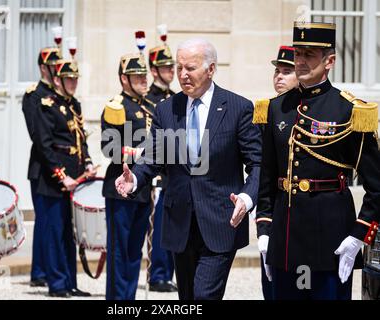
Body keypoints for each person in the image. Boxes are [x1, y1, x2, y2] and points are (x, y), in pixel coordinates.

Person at [115, 38, 262, 300]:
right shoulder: (166, 109)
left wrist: (248, 197)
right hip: (179, 222)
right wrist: (135, 180)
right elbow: (153, 156)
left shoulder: (238, 108)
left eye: (190, 68)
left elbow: (257, 163)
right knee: (187, 298)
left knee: (204, 296)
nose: (183, 75)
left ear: (211, 69)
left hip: (221, 221)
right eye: (179, 67)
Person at [254, 22, 380, 300]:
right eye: (298, 54)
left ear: (329, 61)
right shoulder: (277, 107)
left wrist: (358, 235)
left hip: (331, 239)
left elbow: (377, 185)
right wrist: (264, 230)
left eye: (309, 55)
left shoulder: (349, 110)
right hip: (284, 241)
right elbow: (267, 176)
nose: (300, 61)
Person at [33, 59, 95, 298]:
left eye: (76, 79)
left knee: (70, 232)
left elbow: (81, 139)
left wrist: (87, 162)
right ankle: (57, 284)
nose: (73, 83)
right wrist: (62, 176)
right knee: (54, 231)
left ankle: (69, 281)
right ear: (57, 80)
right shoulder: (45, 105)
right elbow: (44, 146)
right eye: (69, 79)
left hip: (75, 178)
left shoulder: (73, 104)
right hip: (52, 180)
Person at [101, 35, 157, 299]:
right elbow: (109, 148)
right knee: (119, 251)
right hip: (120, 188)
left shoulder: (150, 106)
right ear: (124, 79)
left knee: (135, 250)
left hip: (143, 187)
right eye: (138, 77)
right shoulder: (116, 107)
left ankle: (129, 300)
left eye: (145, 76)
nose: (144, 81)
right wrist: (139, 152)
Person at [256, 45, 298, 301]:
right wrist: (263, 223)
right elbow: (264, 172)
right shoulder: (268, 110)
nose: (279, 77)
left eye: (287, 71)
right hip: (278, 208)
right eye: (277, 72)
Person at [22, 47, 62, 288]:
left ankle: (44, 269)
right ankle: (40, 271)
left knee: (53, 222)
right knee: (46, 220)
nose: (57, 69)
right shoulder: (34, 95)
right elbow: (39, 135)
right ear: (42, 67)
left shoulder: (59, 95)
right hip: (42, 167)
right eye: (53, 66)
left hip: (58, 165)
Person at [145, 34, 177, 293]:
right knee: (158, 228)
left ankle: (167, 273)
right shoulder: (147, 101)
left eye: (172, 67)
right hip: (157, 172)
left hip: (175, 172)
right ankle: (157, 275)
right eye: (166, 67)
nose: (172, 71)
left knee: (172, 225)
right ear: (154, 70)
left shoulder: (175, 97)